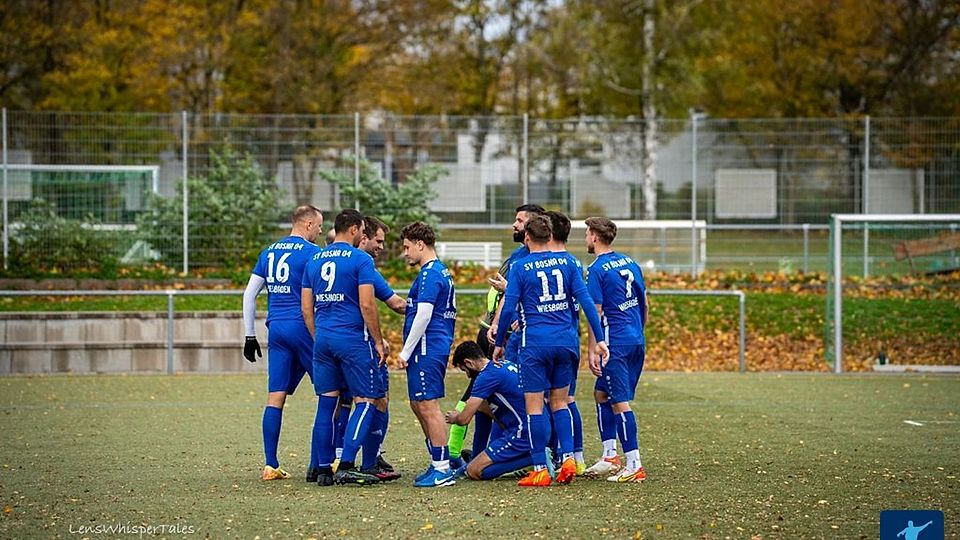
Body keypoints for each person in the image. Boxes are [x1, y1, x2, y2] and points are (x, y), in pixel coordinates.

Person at [493, 214, 608, 487]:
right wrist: (600, 339)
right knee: (560, 402)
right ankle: (568, 458)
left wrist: (498, 343)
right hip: (566, 343)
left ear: (527, 237)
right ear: (550, 236)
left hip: (534, 344)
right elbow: (587, 302)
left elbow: (508, 308)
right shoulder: (569, 262)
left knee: (534, 407)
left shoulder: (521, 267)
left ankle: (540, 469)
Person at [301, 209, 387, 486]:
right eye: (362, 230)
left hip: (323, 339)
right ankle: (347, 464)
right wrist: (377, 340)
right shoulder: (361, 259)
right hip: (352, 339)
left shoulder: (314, 259)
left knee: (327, 404)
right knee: (367, 400)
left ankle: (322, 469)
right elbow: (367, 304)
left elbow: (306, 309)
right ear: (353, 229)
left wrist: (318, 336)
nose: (363, 234)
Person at [242, 205, 323, 481]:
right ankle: (320, 462)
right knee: (330, 393)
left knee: (275, 397)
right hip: (303, 327)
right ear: (308, 224)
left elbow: (249, 294)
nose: (320, 231)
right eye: (319, 226)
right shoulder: (313, 253)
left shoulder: (268, 252)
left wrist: (249, 335)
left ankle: (270, 464)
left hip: (276, 328)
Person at [582, 216, 648, 483]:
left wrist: (592, 349)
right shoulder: (630, 262)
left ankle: (634, 464)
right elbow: (645, 304)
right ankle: (610, 455)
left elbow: (595, 313)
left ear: (595, 237)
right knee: (601, 394)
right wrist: (637, 331)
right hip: (635, 339)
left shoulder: (596, 269)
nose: (586, 239)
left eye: (587, 234)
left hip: (614, 344)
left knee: (619, 402)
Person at [397, 221, 458, 488]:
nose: (405, 253)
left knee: (428, 405)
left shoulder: (430, 274)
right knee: (418, 403)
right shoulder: (437, 271)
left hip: (427, 346)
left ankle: (442, 468)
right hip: (431, 345)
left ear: (420, 244)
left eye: (407, 247)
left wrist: (405, 351)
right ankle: (437, 460)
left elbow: (424, 314)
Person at [354, 216, 404, 480]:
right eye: (379, 241)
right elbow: (395, 303)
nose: (382, 247)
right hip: (358, 344)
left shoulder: (326, 258)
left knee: (335, 402)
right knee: (377, 398)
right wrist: (427, 308)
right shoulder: (363, 264)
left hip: (327, 341)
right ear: (363, 237)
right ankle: (368, 459)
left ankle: (327, 461)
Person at [445, 341, 532, 480]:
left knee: (474, 471)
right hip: (533, 426)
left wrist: (455, 417)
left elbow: (463, 419)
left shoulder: (486, 377)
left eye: (465, 370)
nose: (468, 376)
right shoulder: (503, 364)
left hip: (523, 433)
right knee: (481, 405)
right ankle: (477, 458)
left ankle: (534, 457)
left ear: (469, 362)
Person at [545, 210, 587, 475]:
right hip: (570, 338)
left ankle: (549, 457)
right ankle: (574, 456)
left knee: (547, 400)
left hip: (545, 339)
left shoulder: (543, 263)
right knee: (565, 399)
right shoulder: (574, 262)